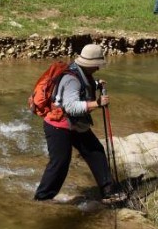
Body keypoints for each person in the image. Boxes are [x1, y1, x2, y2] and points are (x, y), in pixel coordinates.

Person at [34, 44, 125, 203]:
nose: (98, 67)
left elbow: (82, 87)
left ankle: (108, 191)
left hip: (74, 124)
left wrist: (96, 84)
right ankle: (42, 198)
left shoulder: (79, 71)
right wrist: (97, 103)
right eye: (97, 64)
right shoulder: (72, 79)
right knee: (60, 163)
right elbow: (71, 107)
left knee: (95, 151)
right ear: (90, 64)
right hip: (59, 126)